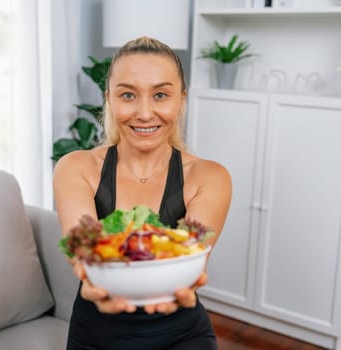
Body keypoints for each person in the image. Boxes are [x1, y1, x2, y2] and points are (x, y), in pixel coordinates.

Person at [53, 36, 232, 350]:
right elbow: (85, 249)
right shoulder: (75, 168)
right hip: (94, 336)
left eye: (161, 94)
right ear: (109, 99)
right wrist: (91, 275)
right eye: (128, 95)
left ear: (181, 100)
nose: (145, 113)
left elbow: (191, 260)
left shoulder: (209, 177)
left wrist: (186, 278)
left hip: (182, 336)